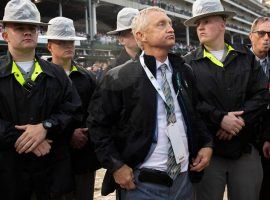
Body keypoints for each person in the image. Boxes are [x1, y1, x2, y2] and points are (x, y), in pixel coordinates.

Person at [87, 6, 213, 200]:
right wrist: (116, 166)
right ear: (141, 35)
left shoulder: (184, 71)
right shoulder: (118, 76)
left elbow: (195, 113)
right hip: (141, 184)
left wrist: (206, 144)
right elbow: (97, 126)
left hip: (184, 181)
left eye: (170, 23)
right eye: (161, 24)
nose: (170, 28)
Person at [183, 0, 269, 200]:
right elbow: (191, 103)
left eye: (206, 21)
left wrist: (237, 122)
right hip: (207, 152)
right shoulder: (188, 64)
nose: (201, 27)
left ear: (223, 23)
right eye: (198, 24)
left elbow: (262, 94)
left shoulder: (245, 56)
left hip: (245, 148)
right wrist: (220, 119)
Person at [0, 0, 81, 199]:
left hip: (51, 175)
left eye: (33, 28)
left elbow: (73, 110)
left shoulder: (57, 73)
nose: (27, 32)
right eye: (19, 28)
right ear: (5, 35)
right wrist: (27, 138)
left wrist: (45, 127)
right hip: (9, 176)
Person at [44, 17, 100, 200]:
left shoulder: (88, 78)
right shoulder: (41, 78)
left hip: (82, 155)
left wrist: (85, 133)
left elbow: (97, 112)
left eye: (71, 41)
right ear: (49, 46)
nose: (68, 45)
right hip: (51, 155)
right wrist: (68, 134)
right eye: (62, 42)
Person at [249, 16, 270, 200]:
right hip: (246, 138)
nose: (266, 38)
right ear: (251, 36)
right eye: (261, 33)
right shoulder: (238, 62)